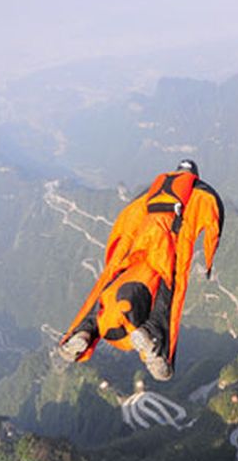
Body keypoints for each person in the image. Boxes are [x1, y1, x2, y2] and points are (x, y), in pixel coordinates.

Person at [58, 159, 224, 381]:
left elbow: (126, 219)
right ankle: (154, 339)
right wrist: (209, 259)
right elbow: (215, 217)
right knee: (168, 293)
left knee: (113, 286)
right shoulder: (199, 190)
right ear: (194, 174)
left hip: (139, 245)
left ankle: (84, 331)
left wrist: (117, 257)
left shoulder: (154, 189)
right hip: (167, 245)